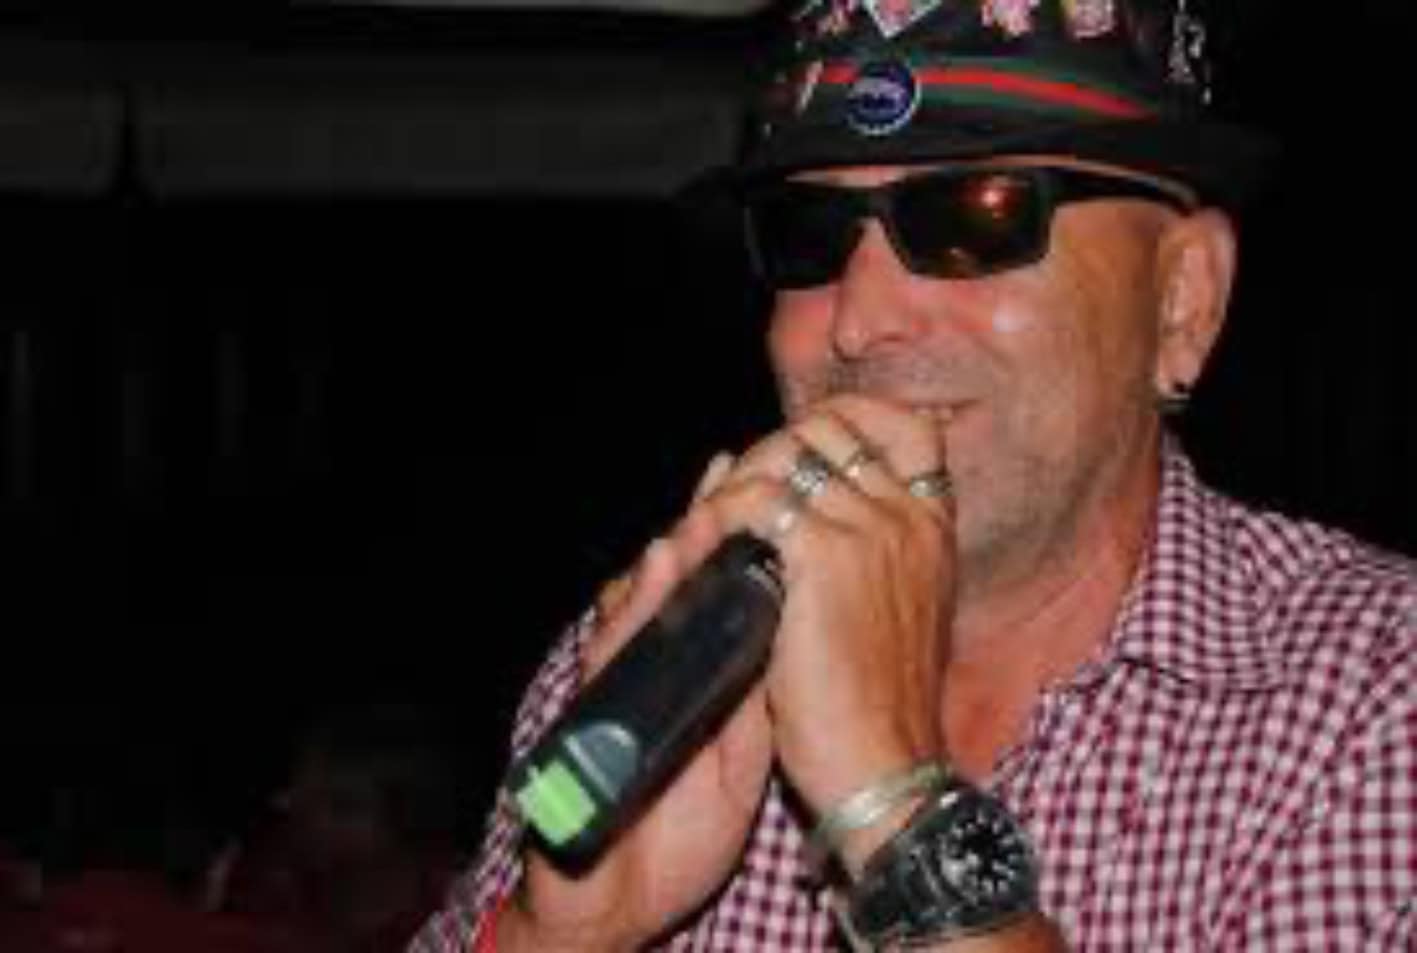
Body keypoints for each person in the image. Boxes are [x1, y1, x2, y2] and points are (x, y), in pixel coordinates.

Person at [410, 1, 1416, 949]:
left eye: (974, 216)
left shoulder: (1372, 700)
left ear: (1181, 299)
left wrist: (887, 801)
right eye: (807, 231)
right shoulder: (650, 668)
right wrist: (562, 932)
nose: (859, 320)